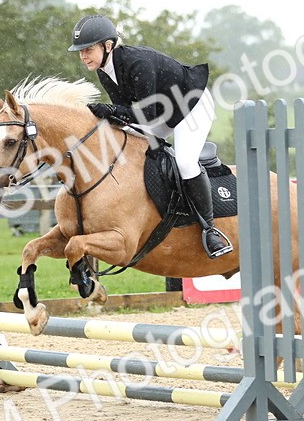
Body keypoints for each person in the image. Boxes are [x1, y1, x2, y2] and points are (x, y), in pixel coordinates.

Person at [68, 14, 232, 258]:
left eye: (88, 49)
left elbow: (145, 114)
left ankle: (210, 230)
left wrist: (112, 111)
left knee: (185, 161)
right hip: (162, 112)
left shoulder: (137, 64)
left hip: (191, 104)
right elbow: (126, 116)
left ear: (108, 46)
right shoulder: (104, 71)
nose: (83, 56)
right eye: (81, 51)